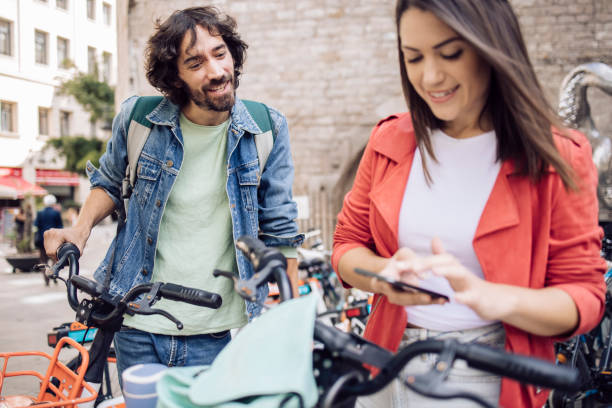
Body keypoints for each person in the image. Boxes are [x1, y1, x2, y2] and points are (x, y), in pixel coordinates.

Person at [332, 0, 606, 407]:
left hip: (482, 368)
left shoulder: (558, 157)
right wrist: (381, 274)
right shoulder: (389, 140)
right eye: (413, 58)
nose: (430, 76)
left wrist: (494, 297)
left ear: (492, 48)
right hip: (384, 360)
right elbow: (345, 247)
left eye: (450, 54)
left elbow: (585, 297)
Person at [43, 6, 302, 378]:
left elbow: (280, 233)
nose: (215, 72)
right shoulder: (139, 120)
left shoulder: (266, 129)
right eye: (195, 63)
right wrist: (79, 230)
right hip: (136, 322)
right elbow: (110, 181)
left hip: (214, 329)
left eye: (219, 54)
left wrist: (287, 325)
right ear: (176, 77)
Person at [34, 195, 63, 285]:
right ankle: (54, 275)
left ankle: (46, 280)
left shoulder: (40, 213)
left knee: (43, 260)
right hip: (54, 240)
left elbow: (36, 225)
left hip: (42, 240)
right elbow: (60, 227)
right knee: (54, 259)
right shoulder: (56, 213)